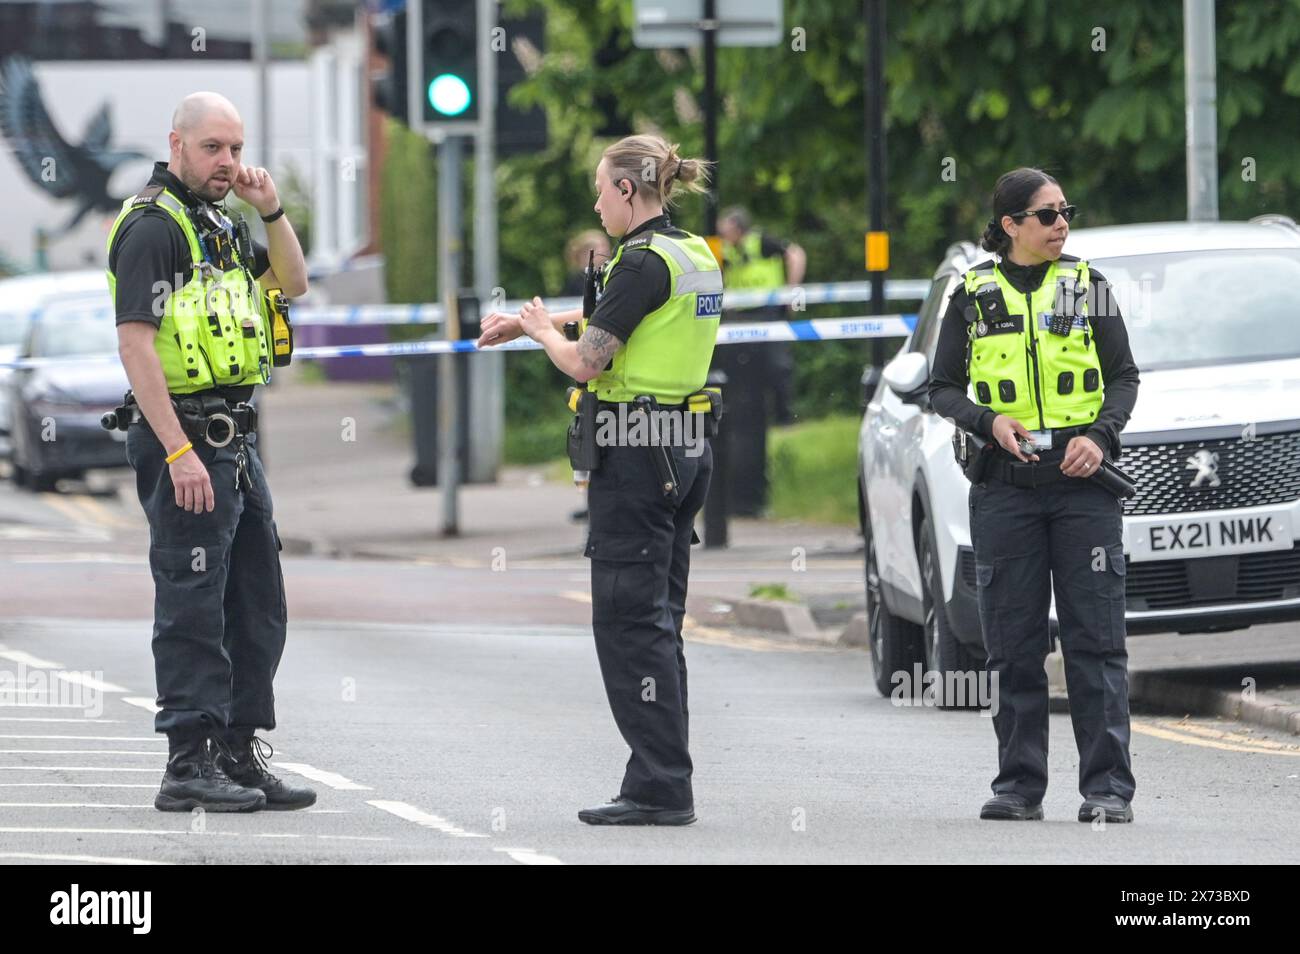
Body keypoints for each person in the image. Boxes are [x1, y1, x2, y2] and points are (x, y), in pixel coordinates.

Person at [478, 134, 721, 825]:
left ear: (625, 191)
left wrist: (541, 334)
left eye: (599, 188)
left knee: (627, 624)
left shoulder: (640, 261)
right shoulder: (691, 253)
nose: (595, 200)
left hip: (637, 453)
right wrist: (539, 322)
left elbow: (588, 361)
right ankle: (660, 778)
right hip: (683, 444)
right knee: (658, 622)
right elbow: (630, 322)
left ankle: (659, 786)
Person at [107, 92, 314, 812]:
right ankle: (186, 763)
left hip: (235, 440)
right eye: (212, 149)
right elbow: (137, 345)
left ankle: (235, 748)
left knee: (257, 601)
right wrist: (176, 452)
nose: (228, 162)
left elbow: (293, 284)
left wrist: (273, 211)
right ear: (176, 145)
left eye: (235, 148)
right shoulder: (153, 229)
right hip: (187, 439)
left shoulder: (219, 225)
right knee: (193, 603)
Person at [928, 167, 1141, 823]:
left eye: (1065, 212)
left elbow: (1124, 378)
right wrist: (987, 422)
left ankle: (1106, 790)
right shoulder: (971, 292)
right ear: (1011, 225)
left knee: (1096, 640)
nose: (1061, 225)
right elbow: (940, 389)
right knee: (1014, 644)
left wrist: (1101, 437)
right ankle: (1018, 787)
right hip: (1005, 492)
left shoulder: (1087, 286)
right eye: (1047, 215)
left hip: (1083, 490)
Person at [718, 206, 805, 426]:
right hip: (739, 315)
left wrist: (792, 292)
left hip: (769, 311)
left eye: (725, 229)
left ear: (737, 228)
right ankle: (750, 420)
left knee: (778, 366)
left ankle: (785, 418)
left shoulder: (762, 241)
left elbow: (796, 255)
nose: (721, 234)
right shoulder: (727, 249)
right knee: (743, 370)